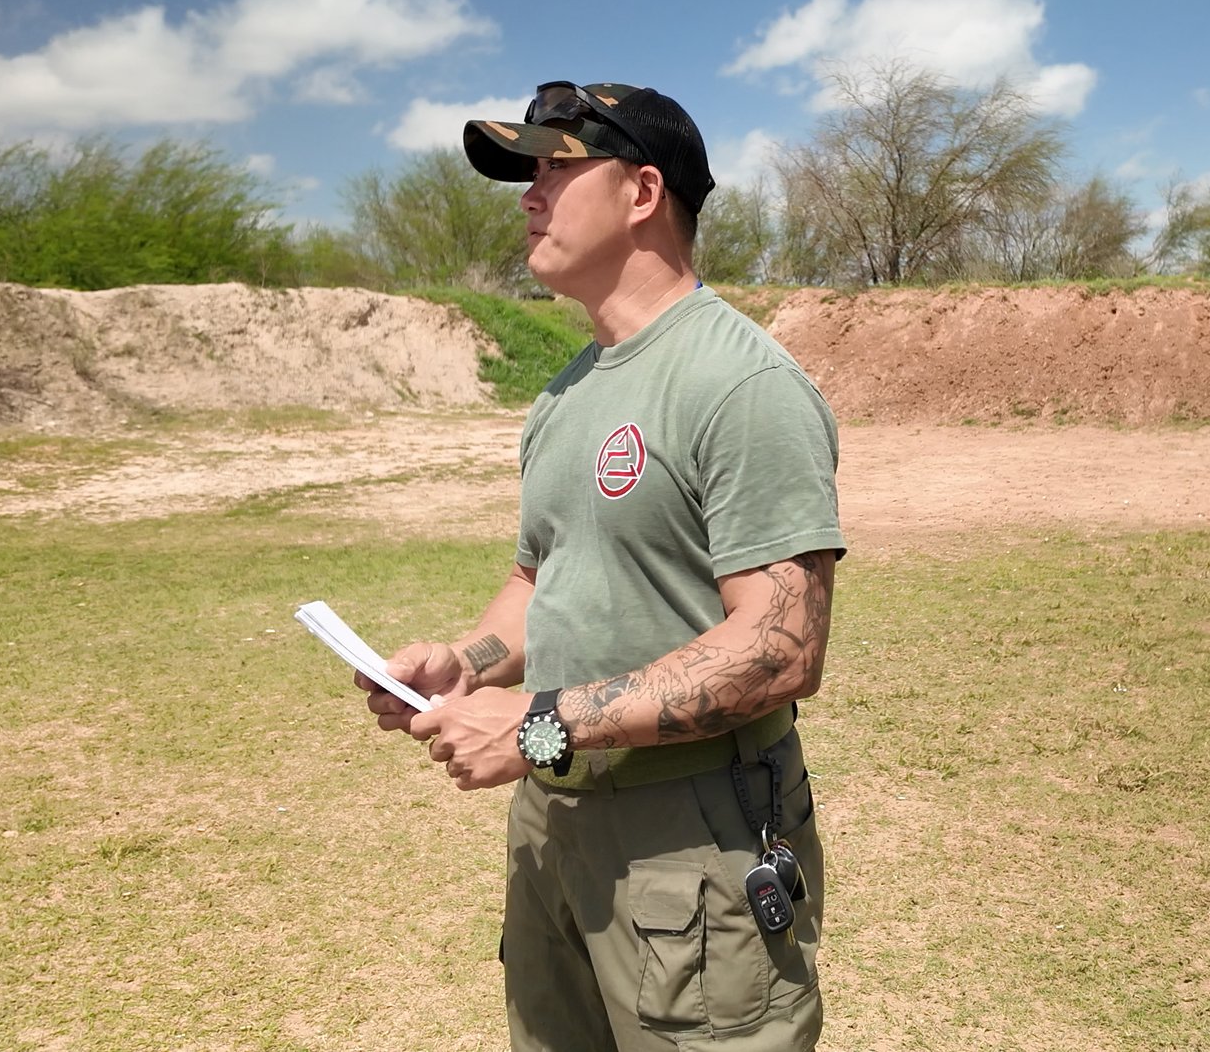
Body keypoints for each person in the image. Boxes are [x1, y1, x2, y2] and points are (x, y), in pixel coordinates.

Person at [356, 81, 845, 1051]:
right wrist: (466, 665)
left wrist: (539, 725)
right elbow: (541, 580)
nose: (529, 196)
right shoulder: (565, 394)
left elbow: (782, 647)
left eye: (555, 167)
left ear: (642, 191)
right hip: (554, 823)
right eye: (526, 174)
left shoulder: (740, 381)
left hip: (691, 837)